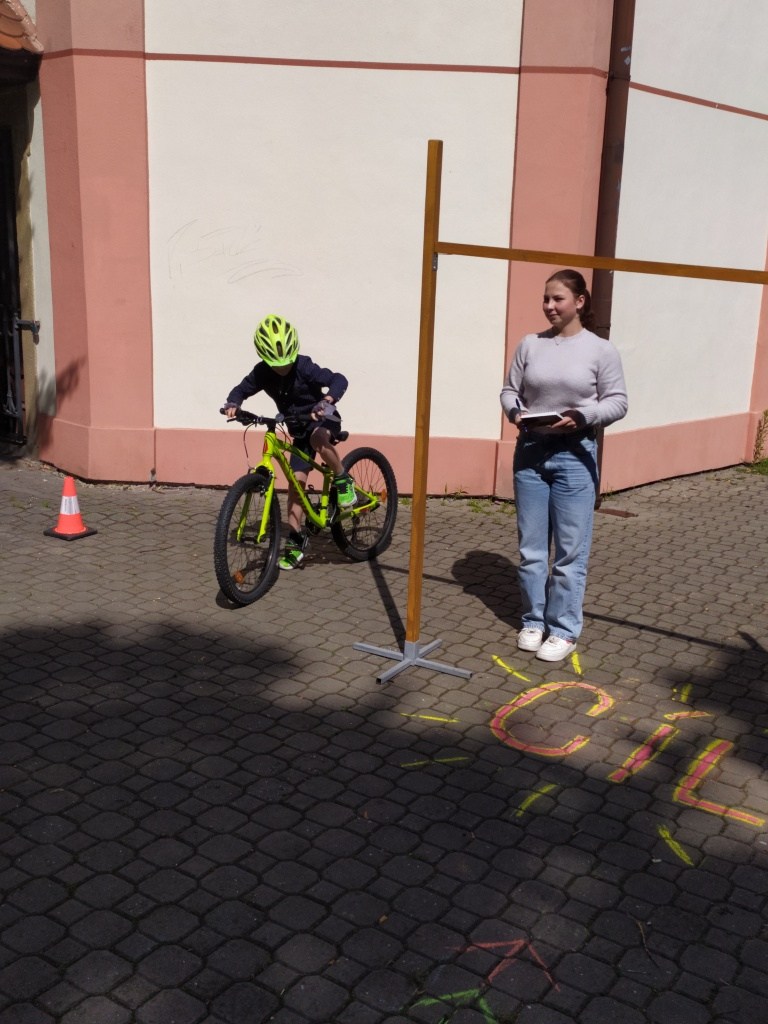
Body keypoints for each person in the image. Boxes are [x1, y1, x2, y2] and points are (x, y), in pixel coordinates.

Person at [500, 269, 628, 661]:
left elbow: (618, 402)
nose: (550, 306)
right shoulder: (530, 344)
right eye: (546, 299)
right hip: (531, 453)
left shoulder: (600, 350)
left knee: (570, 553)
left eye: (558, 299)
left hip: (575, 455)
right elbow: (509, 391)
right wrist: (516, 412)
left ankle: (564, 629)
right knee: (532, 550)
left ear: (579, 301)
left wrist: (584, 416)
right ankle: (534, 621)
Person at [223, 314, 356, 570]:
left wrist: (327, 400)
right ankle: (296, 540)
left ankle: (342, 479)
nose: (282, 368)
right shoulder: (262, 372)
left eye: (286, 363)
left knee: (318, 437)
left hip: (323, 420)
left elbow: (339, 379)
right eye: (276, 365)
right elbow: (241, 389)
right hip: (298, 429)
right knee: (296, 484)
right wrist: (233, 403)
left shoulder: (304, 365)